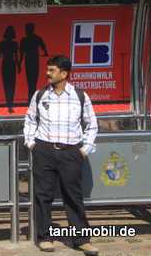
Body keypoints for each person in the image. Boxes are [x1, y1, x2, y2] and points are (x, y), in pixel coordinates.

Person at [23, 55, 99, 255]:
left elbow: (91, 124)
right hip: (44, 150)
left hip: (71, 152)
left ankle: (82, 240)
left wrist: (84, 150)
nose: (47, 73)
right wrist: (31, 144)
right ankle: (44, 238)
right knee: (43, 196)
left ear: (64, 74)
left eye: (52, 70)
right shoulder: (40, 95)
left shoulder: (80, 96)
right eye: (47, 69)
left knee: (73, 197)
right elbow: (30, 120)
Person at [20, 23, 48, 102]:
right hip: (32, 61)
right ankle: (32, 98)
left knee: (31, 80)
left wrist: (19, 63)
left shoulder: (29, 39)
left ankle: (32, 98)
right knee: (32, 81)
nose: (26, 31)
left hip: (32, 61)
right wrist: (19, 63)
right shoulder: (32, 38)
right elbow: (43, 47)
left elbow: (43, 47)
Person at [0, 25, 20, 113]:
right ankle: (9, 103)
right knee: (9, 84)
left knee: (10, 84)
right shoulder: (7, 43)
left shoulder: (11, 43)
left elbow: (15, 56)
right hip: (8, 64)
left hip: (8, 64)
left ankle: (10, 103)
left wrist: (18, 65)